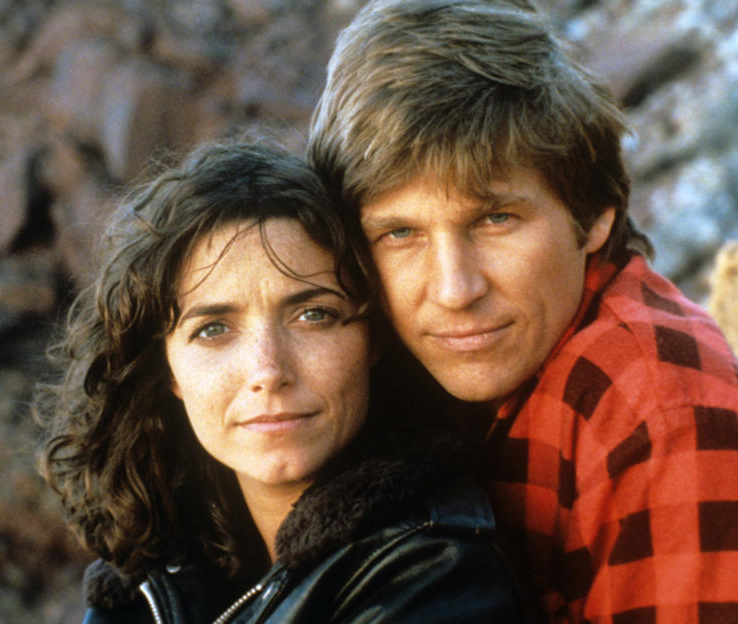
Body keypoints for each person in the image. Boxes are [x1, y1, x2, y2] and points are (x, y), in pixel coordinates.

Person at [308, 0, 738, 622]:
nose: (455, 289)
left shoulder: (661, 411)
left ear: (592, 217)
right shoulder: (363, 364)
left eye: (495, 219)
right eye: (400, 233)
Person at [36, 142, 530, 622]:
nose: (268, 370)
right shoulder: (153, 569)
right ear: (166, 369)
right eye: (213, 329)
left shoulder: (437, 573)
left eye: (313, 315)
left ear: (372, 339)